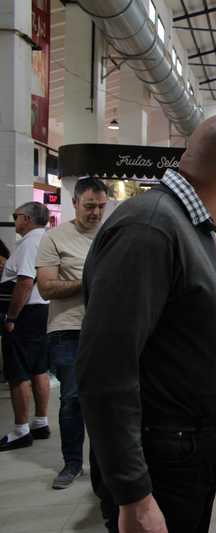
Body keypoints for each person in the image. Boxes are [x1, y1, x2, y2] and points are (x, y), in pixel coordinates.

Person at [77, 113, 216, 533]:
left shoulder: (188, 225)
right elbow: (105, 369)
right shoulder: (150, 228)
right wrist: (134, 494)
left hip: (189, 443)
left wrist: (215, 408)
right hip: (161, 457)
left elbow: (180, 334)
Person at [36, 178, 108, 489]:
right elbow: (47, 287)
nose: (95, 213)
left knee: (108, 401)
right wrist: (89, 281)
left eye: (101, 207)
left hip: (106, 331)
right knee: (73, 399)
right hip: (68, 329)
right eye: (89, 206)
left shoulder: (110, 234)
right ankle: (72, 463)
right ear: (76, 203)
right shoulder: (55, 238)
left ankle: (104, 468)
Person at [0, 202, 50, 451]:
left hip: (26, 314)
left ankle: (21, 430)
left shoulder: (31, 242)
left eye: (16, 216)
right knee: (39, 368)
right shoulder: (45, 239)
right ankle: (40, 421)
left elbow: (25, 283)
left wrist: (11, 318)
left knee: (18, 372)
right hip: (41, 311)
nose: (15, 220)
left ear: (28, 218)